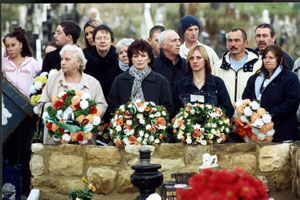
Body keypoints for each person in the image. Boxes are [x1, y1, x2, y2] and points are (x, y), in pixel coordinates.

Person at [37, 44, 108, 144]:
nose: (63, 62)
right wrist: (57, 107)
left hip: (83, 140)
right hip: (56, 141)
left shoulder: (93, 83)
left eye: (67, 59)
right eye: (62, 59)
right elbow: (41, 105)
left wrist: (86, 116)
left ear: (79, 62)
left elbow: (102, 106)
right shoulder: (52, 80)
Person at [2, 27, 41, 197]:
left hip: (27, 115)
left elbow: (40, 83)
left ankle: (25, 188)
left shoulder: (32, 63)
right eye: (7, 46)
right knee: (9, 151)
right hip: (8, 114)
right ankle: (8, 187)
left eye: (13, 45)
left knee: (24, 152)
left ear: (20, 45)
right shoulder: (4, 64)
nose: (10, 49)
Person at [242, 45, 300, 142]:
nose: (267, 60)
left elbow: (292, 103)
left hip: (282, 132)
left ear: (280, 59)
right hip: (256, 132)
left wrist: (268, 115)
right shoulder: (254, 78)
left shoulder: (290, 78)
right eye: (265, 57)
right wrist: (252, 115)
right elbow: (245, 99)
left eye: (271, 58)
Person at [107, 39, 174, 116]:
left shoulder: (161, 81)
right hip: (125, 125)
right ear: (131, 59)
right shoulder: (120, 80)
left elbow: (168, 107)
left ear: (149, 59)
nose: (139, 59)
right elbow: (112, 106)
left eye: (143, 56)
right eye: (135, 56)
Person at [173, 45, 234, 118]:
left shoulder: (217, 83)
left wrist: (217, 121)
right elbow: (175, 111)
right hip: (188, 128)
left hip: (212, 127)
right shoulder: (180, 84)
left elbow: (228, 109)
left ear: (205, 60)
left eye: (199, 58)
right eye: (191, 58)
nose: (195, 61)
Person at [212, 28, 261, 102]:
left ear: (245, 43)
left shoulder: (258, 65)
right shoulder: (218, 67)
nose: (233, 44)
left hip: (250, 112)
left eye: (237, 40)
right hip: (224, 112)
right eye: (230, 40)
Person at [86, 24, 122, 99]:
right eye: (98, 38)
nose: (102, 41)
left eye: (106, 38)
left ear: (111, 41)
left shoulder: (119, 58)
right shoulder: (87, 59)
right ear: (94, 41)